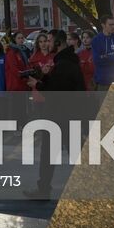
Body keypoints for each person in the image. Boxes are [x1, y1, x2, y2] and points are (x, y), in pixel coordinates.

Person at [25, 29, 86, 198]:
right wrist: (44, 77)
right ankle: (44, 188)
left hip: (61, 116)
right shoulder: (66, 61)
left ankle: (45, 189)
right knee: (54, 154)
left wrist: (38, 84)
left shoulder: (64, 64)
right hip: (65, 116)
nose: (47, 44)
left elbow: (54, 92)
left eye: (50, 41)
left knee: (58, 154)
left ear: (58, 43)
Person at [90, 17, 114, 89]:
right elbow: (97, 60)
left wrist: (105, 56)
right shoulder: (96, 40)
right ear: (103, 25)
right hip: (103, 81)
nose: (113, 27)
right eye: (110, 25)